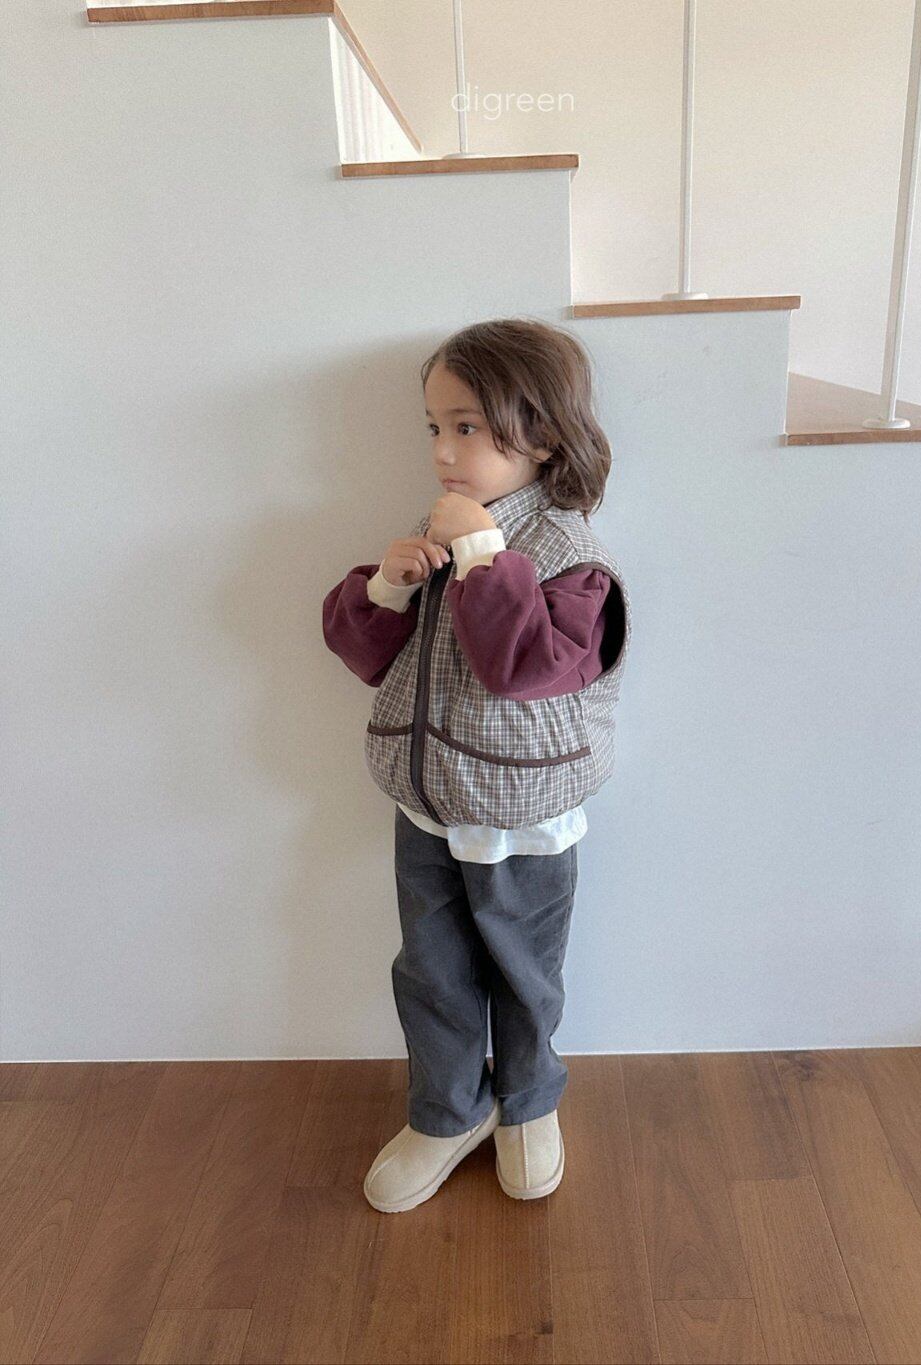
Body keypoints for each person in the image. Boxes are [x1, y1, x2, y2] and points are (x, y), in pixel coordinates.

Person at [322, 317, 632, 1213]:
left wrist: (483, 554)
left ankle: (528, 1104)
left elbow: (521, 667)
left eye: (468, 427)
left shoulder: (571, 556)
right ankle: (447, 1110)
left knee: (523, 974)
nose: (442, 452)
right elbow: (364, 652)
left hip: (526, 817)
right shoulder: (437, 528)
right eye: (435, 426)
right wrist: (388, 585)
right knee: (431, 971)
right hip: (427, 807)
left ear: (543, 434)